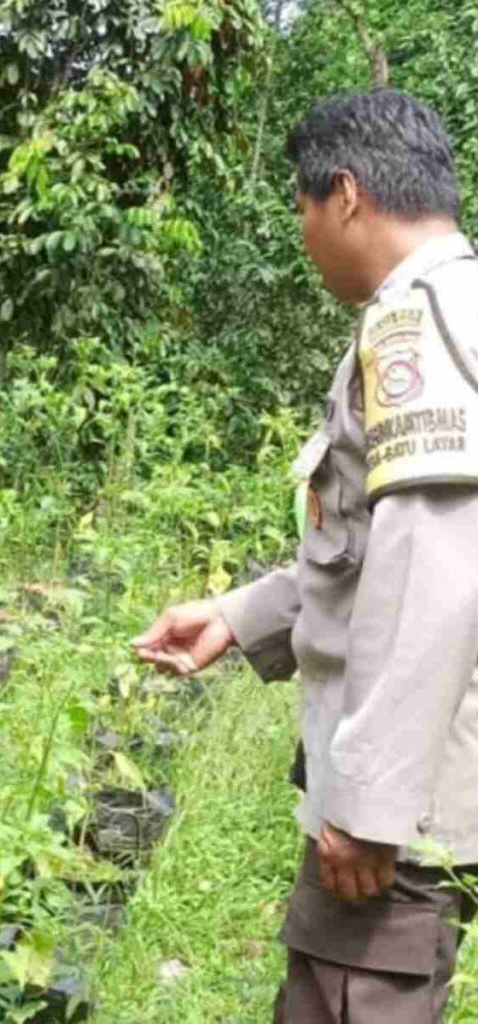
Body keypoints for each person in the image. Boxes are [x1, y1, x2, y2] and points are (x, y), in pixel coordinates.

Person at [135, 89, 478, 1023]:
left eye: (301, 208)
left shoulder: (421, 327)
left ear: (347, 194)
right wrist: (240, 615)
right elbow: (368, 552)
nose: (302, 232)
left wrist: (368, 801)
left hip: (398, 823)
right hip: (413, 784)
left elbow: (433, 572)